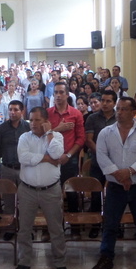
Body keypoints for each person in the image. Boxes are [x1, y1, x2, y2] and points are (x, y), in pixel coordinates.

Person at [90, 97, 136, 269]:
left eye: (124, 109)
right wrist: (119, 175)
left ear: (133, 112)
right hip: (115, 187)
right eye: (118, 109)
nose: (119, 112)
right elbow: (102, 156)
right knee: (111, 224)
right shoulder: (106, 133)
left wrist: (129, 173)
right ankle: (106, 257)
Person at [12, 107, 67, 269]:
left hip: (51, 190)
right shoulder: (24, 137)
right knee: (24, 228)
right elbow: (23, 158)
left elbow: (57, 153)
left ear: (46, 121)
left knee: (56, 228)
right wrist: (47, 158)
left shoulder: (56, 136)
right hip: (27, 190)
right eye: (31, 120)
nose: (33, 124)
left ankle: (60, 262)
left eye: (37, 120)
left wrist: (49, 133)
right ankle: (24, 261)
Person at [47, 82, 84, 234]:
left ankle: (75, 228)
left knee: (71, 192)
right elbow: (42, 136)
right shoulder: (47, 113)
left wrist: (68, 155)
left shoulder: (76, 114)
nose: (58, 95)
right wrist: (58, 129)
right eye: (56, 92)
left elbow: (80, 139)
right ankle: (53, 229)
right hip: (51, 160)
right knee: (51, 195)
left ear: (68, 95)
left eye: (61, 92)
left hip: (69, 158)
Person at [84, 90, 117, 238]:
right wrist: (102, 155)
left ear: (114, 103)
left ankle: (114, 225)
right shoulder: (92, 118)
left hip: (116, 162)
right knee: (96, 194)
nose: (105, 103)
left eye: (108, 101)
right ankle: (95, 225)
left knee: (114, 195)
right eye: (103, 100)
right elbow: (89, 140)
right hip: (97, 162)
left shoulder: (119, 117)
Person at [0, 100, 30, 225]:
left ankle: (25, 228)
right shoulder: (1, 128)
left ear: (22, 111)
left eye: (16, 110)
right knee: (8, 200)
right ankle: (10, 227)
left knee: (26, 201)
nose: (12, 112)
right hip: (7, 168)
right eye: (10, 110)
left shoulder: (28, 127)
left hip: (25, 169)